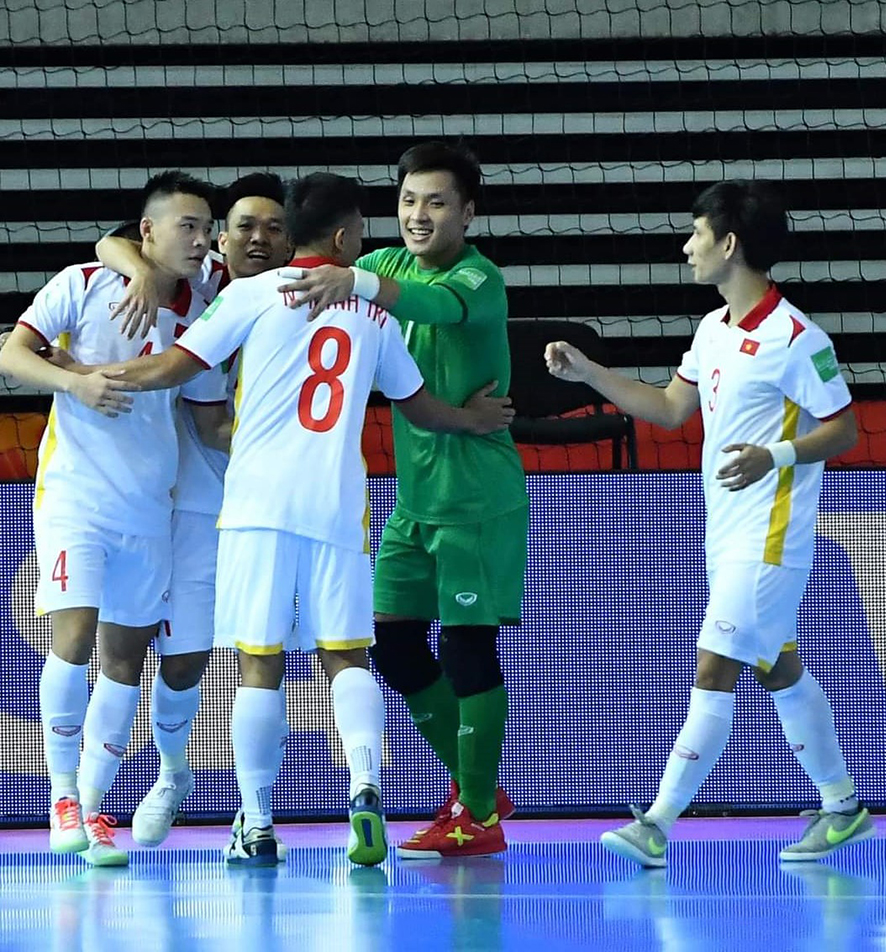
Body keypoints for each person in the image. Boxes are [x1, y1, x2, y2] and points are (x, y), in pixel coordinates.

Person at [87, 171, 515, 867]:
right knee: (346, 657)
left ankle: (256, 825)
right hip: (338, 504)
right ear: (346, 238)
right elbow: (420, 406)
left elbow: (175, 365)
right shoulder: (373, 314)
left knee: (259, 666)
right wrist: (473, 419)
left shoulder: (255, 294)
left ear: (294, 230)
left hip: (257, 505)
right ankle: (366, 788)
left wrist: (92, 377)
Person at [545, 179, 872, 867]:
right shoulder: (711, 328)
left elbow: (844, 430)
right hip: (724, 535)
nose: (686, 245)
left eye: (695, 233)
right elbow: (668, 409)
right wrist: (587, 372)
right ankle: (842, 807)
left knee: (715, 664)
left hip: (771, 535)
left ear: (728, 244)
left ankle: (657, 824)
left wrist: (775, 455)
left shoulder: (796, 337)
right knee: (779, 668)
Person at [281, 141, 528, 859]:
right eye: (408, 201)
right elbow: (329, 282)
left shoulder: (480, 279)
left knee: (466, 648)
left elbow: (432, 304)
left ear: (468, 212)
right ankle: (475, 784)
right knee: (389, 642)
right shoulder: (381, 265)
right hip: (412, 500)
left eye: (437, 202)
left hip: (477, 495)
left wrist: (350, 276)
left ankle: (477, 817)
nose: (418, 216)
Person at [0, 171, 227, 866]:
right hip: (76, 496)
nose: (202, 238)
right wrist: (75, 380)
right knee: (73, 635)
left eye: (206, 226)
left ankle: (95, 809)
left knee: (124, 661)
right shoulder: (82, 281)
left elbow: (209, 400)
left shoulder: (208, 301)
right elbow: (12, 353)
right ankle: (61, 796)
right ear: (148, 231)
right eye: (186, 226)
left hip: (151, 505)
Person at [94, 173, 295, 856]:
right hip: (166, 494)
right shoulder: (197, 274)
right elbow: (114, 240)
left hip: (248, 499)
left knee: (219, 660)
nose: (255, 240)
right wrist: (140, 277)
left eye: (272, 229)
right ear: (221, 235)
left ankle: (213, 793)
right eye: (242, 227)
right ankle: (131, 790)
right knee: (150, 654)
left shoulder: (295, 303)